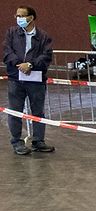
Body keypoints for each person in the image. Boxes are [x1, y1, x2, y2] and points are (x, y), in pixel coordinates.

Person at [5, 5, 52, 156]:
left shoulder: (44, 36)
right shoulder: (11, 33)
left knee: (38, 112)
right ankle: (17, 142)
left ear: (31, 18)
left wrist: (30, 65)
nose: (18, 19)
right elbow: (6, 52)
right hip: (15, 78)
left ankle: (38, 141)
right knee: (15, 112)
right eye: (17, 16)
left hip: (36, 80)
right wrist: (19, 65)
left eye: (21, 16)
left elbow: (46, 56)